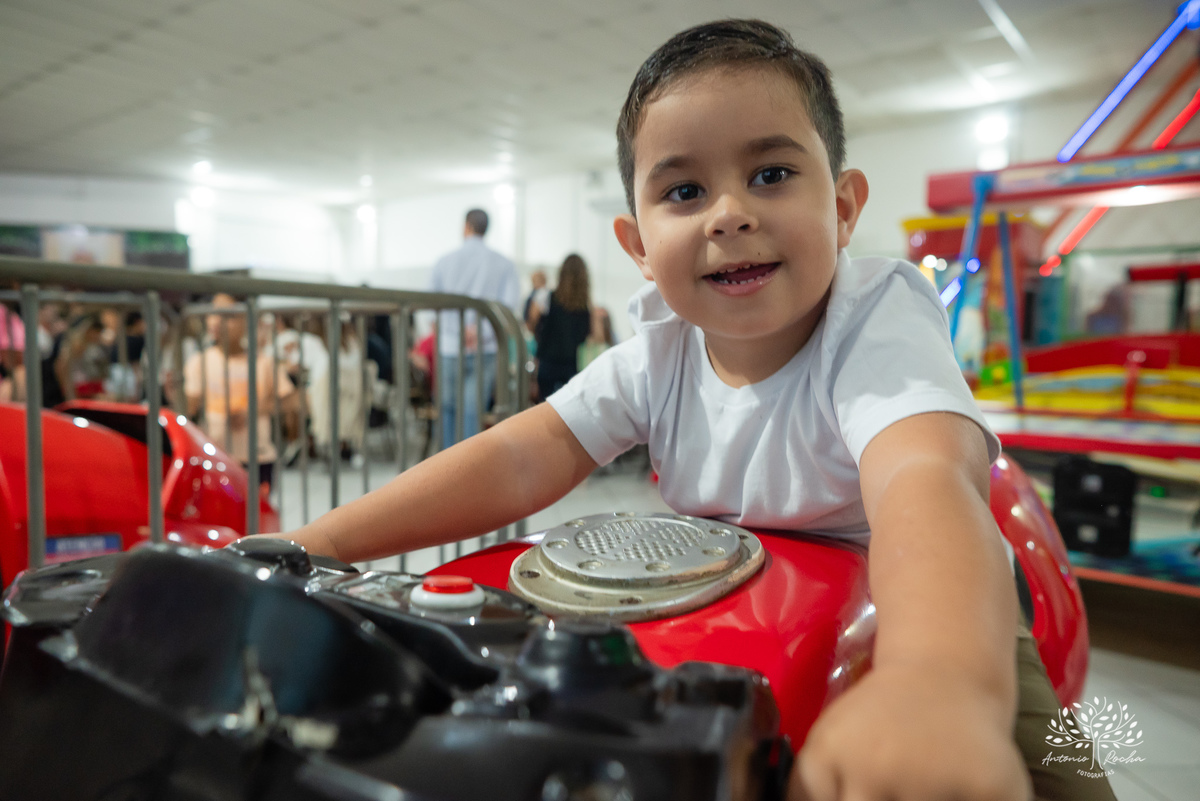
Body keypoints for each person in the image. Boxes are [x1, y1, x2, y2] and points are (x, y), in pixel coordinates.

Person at [271, 20, 1110, 801]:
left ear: (844, 207)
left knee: (1049, 774)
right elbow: (526, 453)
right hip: (740, 614)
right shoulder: (659, 352)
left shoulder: (876, 317)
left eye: (771, 174)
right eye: (684, 190)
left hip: (937, 614)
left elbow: (923, 480)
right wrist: (312, 545)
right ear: (638, 246)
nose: (729, 213)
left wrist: (937, 682)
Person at [427, 208, 520, 448]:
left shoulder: (444, 261)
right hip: (484, 347)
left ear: (466, 226)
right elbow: (508, 307)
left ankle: (445, 465)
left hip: (450, 346)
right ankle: (469, 465)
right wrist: (480, 331)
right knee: (472, 411)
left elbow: (430, 305)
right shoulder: (504, 264)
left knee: (447, 409)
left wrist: (456, 331)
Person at [184, 294, 294, 492]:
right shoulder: (199, 362)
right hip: (214, 457)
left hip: (257, 458)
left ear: (246, 320)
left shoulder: (263, 362)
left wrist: (253, 411)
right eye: (213, 313)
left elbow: (290, 401)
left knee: (256, 509)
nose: (217, 321)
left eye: (228, 316)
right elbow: (189, 410)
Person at [532, 254, 593, 400]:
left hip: (547, 363)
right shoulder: (585, 308)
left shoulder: (548, 297)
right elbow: (586, 336)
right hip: (571, 367)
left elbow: (536, 326)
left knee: (545, 406)